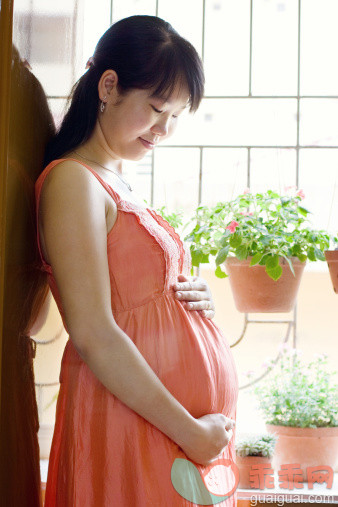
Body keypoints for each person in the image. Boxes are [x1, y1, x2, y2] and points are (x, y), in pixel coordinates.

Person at [35, 15, 238, 506]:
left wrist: (189, 297)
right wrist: (190, 431)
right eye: (156, 108)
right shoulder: (73, 181)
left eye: (176, 115)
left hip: (159, 426)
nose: (165, 129)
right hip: (133, 423)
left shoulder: (113, 179)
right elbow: (93, 332)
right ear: (109, 86)